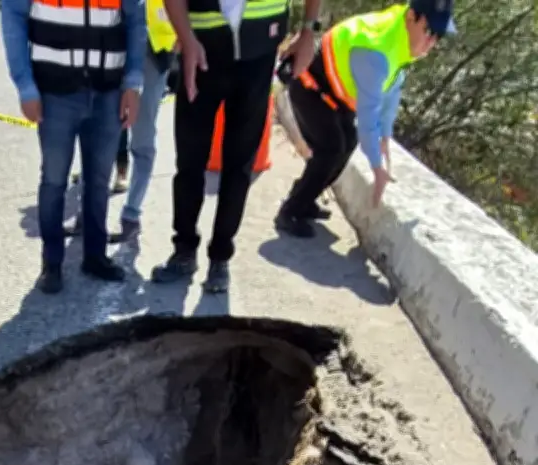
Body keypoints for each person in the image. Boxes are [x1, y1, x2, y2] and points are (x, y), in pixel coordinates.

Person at [152, 0, 321, 294]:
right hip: (202, 52)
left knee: (239, 165)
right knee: (190, 160)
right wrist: (187, 38)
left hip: (258, 55)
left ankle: (220, 258)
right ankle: (184, 251)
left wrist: (308, 32)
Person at [274, 0, 455, 238]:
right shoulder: (377, 50)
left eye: (438, 37)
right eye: (429, 32)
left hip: (333, 94)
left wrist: (386, 137)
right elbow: (368, 118)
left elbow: (392, 90)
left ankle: (305, 198)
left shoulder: (402, 36)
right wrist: (377, 170)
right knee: (331, 149)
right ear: (412, 17)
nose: (431, 44)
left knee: (347, 143)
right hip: (310, 86)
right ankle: (290, 212)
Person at [1, 0, 147, 294]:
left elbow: (135, 21)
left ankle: (95, 256)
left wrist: (133, 83)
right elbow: (13, 17)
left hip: (108, 90)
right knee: (54, 180)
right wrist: (25, 86)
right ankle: (52, 262)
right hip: (55, 92)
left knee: (99, 180)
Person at [66, 0, 179, 242]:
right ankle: (87, 213)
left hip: (153, 51)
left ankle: (131, 215)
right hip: (110, 43)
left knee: (142, 140)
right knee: (96, 136)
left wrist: (185, 33)